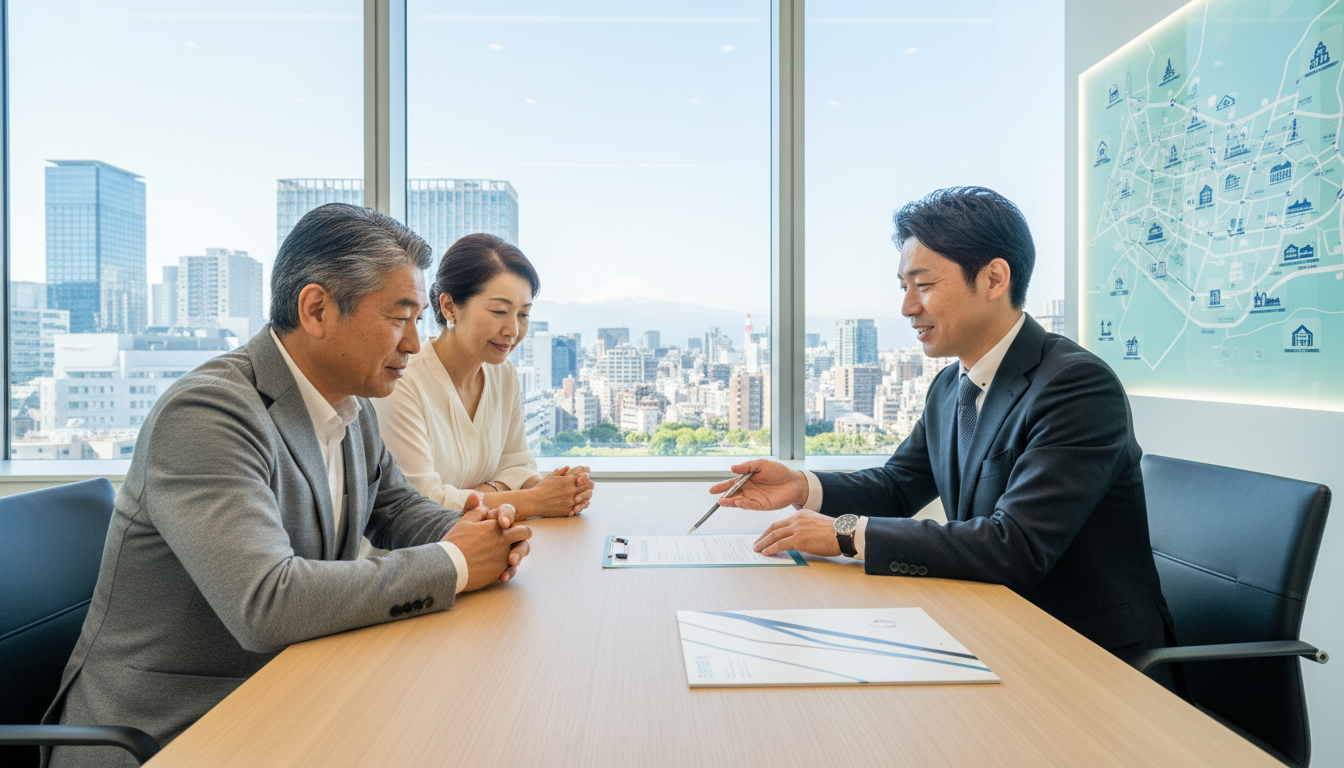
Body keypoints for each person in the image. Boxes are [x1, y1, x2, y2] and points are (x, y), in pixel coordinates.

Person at [43, 204, 533, 767]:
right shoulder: (207, 413)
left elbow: (397, 508)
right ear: (317, 308)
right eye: (400, 318)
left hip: (287, 690)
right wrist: (456, 562)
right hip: (171, 732)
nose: (415, 344)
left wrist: (486, 531)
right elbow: (267, 602)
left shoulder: (352, 404)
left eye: (419, 319)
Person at [713, 186, 1179, 682]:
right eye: (903, 287)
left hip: (1087, 658)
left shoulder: (1076, 387)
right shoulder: (951, 384)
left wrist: (847, 534)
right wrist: (803, 486)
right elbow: (899, 485)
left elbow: (1014, 545)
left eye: (924, 284)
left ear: (994, 278)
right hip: (993, 628)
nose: (908, 308)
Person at [373, 233, 594, 519]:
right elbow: (421, 503)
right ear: (450, 307)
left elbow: (519, 465)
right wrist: (533, 500)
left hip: (483, 545)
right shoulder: (403, 380)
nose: (513, 330)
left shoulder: (502, 373)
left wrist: (558, 491)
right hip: (412, 558)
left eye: (524, 315)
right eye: (500, 311)